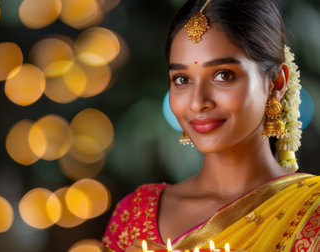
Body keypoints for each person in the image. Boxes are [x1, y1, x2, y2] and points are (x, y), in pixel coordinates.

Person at [101, 0, 320, 251]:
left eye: (223, 75)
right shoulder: (135, 214)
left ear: (276, 83)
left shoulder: (312, 213)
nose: (197, 102)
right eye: (182, 79)